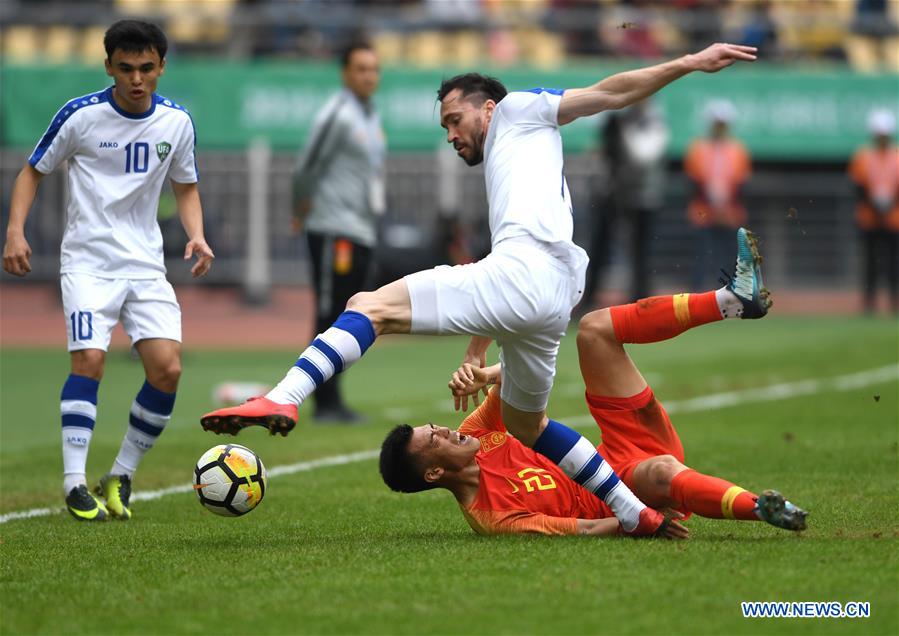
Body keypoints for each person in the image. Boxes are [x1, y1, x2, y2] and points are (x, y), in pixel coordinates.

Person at [201, 43, 759, 537]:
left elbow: (611, 92)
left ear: (488, 107)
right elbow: (500, 286)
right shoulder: (514, 161)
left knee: (368, 307)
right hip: (551, 296)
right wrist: (475, 350)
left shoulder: (518, 108)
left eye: (454, 119)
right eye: (445, 127)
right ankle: (629, 510)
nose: (450, 135)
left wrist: (688, 62)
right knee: (526, 426)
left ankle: (285, 396)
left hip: (528, 275)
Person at [380, 228, 807, 537]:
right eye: (433, 439)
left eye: (432, 426)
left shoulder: (477, 431)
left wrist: (485, 372)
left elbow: (526, 378)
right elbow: (579, 527)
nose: (442, 428)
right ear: (435, 471)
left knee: (595, 329)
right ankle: (764, 508)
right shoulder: (490, 517)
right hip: (624, 486)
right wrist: (637, 518)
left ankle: (731, 300)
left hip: (616, 443)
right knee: (662, 471)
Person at [2, 20, 214, 521]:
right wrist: (14, 231)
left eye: (146, 68)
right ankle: (74, 482)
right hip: (88, 264)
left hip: (145, 265)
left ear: (161, 67)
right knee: (90, 363)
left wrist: (197, 234)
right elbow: (32, 170)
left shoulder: (177, 123)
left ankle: (120, 473)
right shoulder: (80, 116)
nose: (136, 78)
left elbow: (185, 185)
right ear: (109, 68)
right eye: (126, 68)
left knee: (167, 369)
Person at [292, 41, 386, 422]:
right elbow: (306, 165)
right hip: (334, 229)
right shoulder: (338, 115)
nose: (369, 76)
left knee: (346, 312)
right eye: (361, 69)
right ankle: (324, 402)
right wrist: (299, 208)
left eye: (374, 69)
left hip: (359, 228)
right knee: (331, 312)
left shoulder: (368, 114)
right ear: (346, 73)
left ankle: (334, 398)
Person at [582, 98, 668, 309]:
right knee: (600, 248)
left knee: (641, 253)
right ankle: (588, 300)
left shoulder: (653, 124)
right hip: (614, 194)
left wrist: (624, 129)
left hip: (643, 198)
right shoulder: (620, 120)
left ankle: (642, 300)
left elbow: (643, 156)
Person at [684, 99, 752, 290]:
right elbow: (693, 181)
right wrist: (714, 206)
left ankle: (730, 296)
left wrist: (725, 207)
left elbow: (741, 183)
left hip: (731, 214)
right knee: (701, 258)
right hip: (702, 212)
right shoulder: (698, 148)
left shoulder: (737, 150)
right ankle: (697, 299)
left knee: (731, 259)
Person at [848, 108, 899, 315]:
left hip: (894, 219)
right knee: (869, 263)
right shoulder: (863, 157)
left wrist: (889, 204)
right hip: (869, 219)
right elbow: (857, 187)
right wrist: (874, 204)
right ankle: (869, 303)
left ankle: (894, 301)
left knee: (894, 263)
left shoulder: (896, 158)